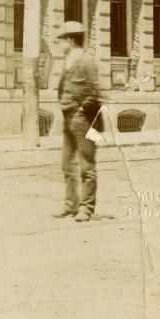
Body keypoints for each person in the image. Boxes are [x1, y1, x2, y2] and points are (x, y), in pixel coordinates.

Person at [53, 20, 105, 222]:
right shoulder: (69, 60)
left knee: (86, 167)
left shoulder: (85, 61)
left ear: (70, 40)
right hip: (69, 118)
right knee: (67, 165)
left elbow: (95, 92)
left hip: (85, 120)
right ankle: (70, 205)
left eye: (60, 41)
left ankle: (86, 209)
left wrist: (81, 111)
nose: (58, 45)